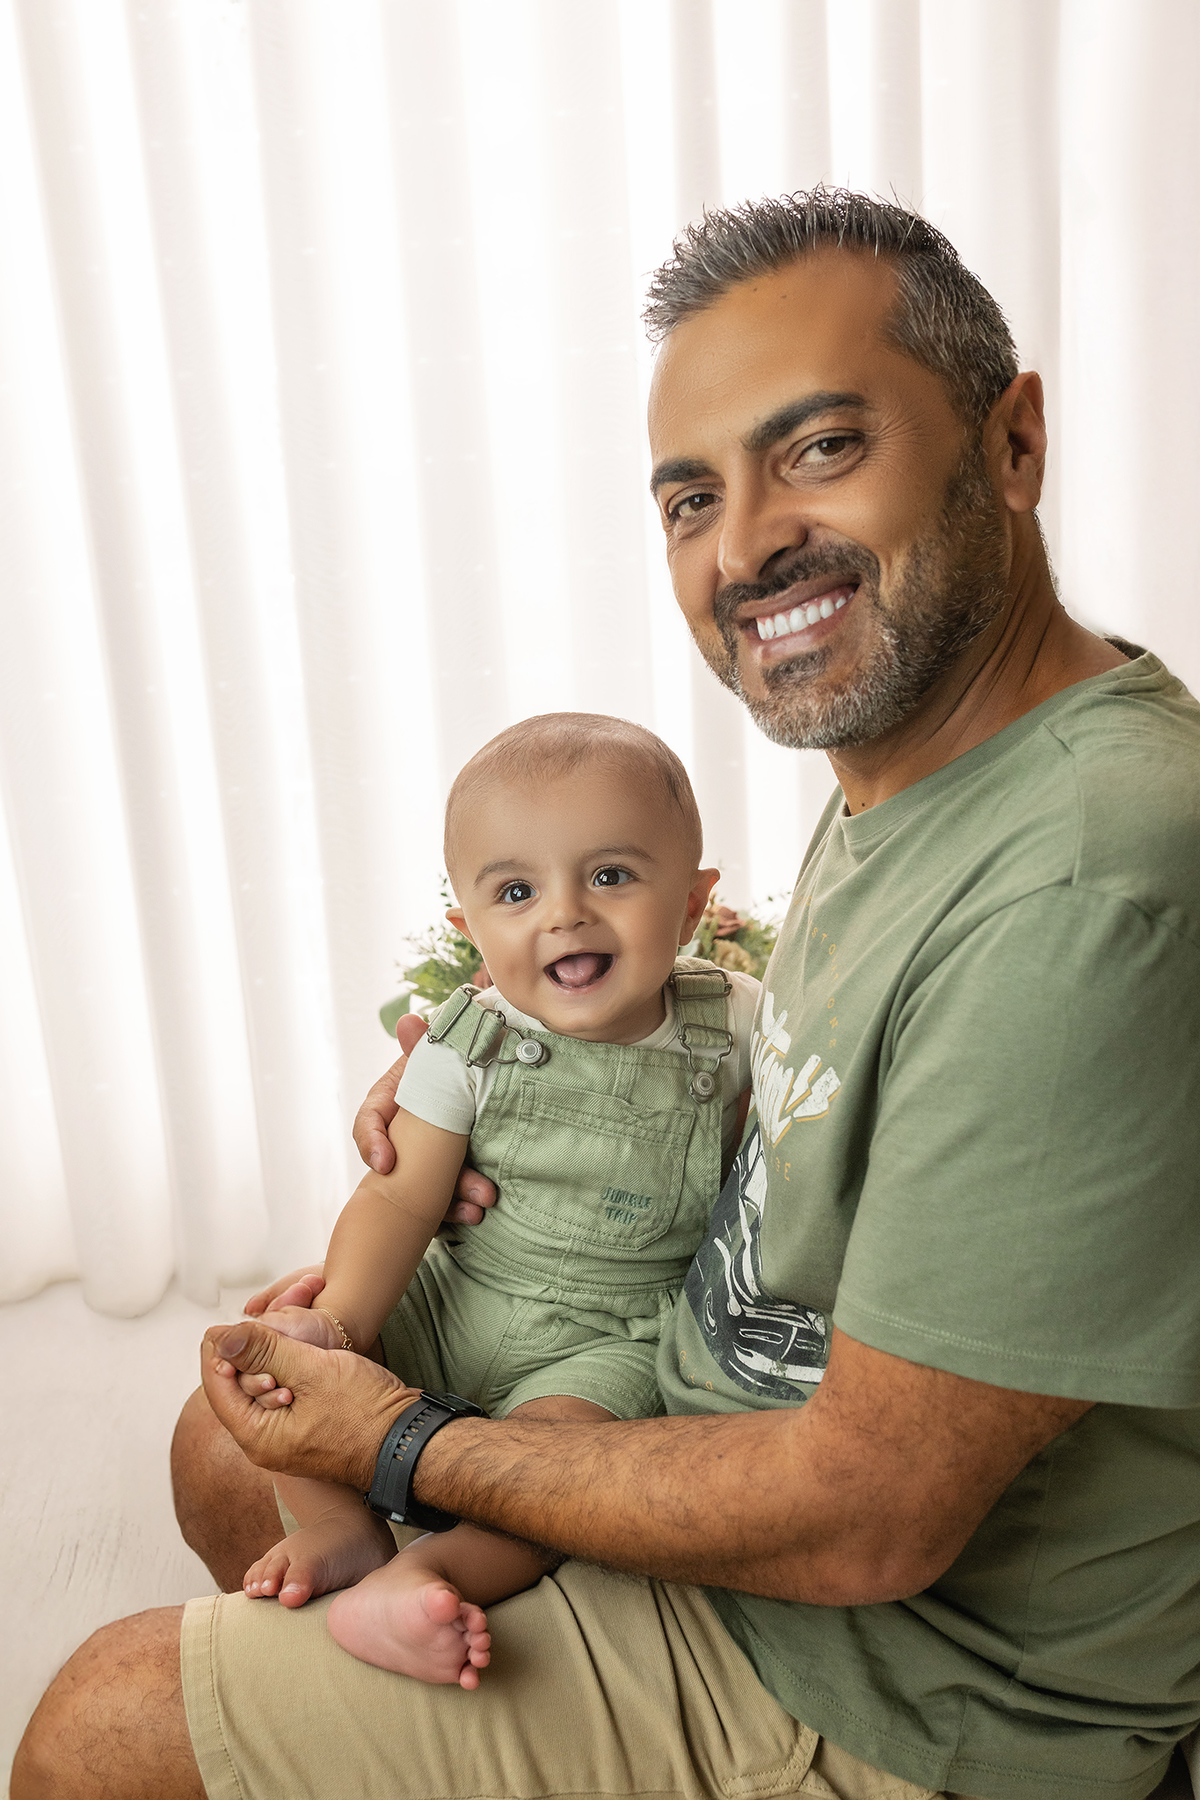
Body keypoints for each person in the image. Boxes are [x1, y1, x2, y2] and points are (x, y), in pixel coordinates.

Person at [15, 189, 1200, 1800]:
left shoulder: (1085, 881)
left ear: (1012, 442)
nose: (745, 544)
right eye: (690, 495)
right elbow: (847, 1055)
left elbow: (871, 1518)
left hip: (908, 1688)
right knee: (227, 1446)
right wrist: (525, 1075)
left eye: (823, 448)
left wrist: (404, 1442)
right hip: (741, 1445)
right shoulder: (930, 765)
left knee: (109, 1723)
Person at [237, 712, 756, 1687]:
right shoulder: (467, 1040)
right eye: (517, 890)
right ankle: (343, 1531)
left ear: (692, 907)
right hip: (460, 1292)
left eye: (610, 876)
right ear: (470, 929)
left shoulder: (734, 1026)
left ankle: (430, 1576)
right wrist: (343, 1326)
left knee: (571, 1467)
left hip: (609, 1332)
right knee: (289, 1352)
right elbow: (396, 1204)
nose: (563, 913)